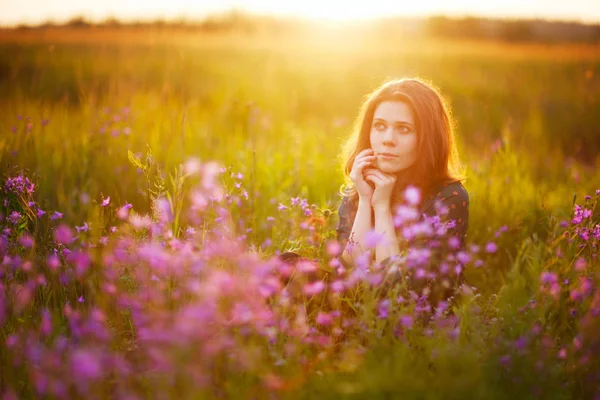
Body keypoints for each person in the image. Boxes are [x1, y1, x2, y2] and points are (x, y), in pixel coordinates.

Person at [335, 78, 469, 300]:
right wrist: (366, 201)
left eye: (403, 129)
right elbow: (346, 270)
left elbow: (401, 293)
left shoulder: (448, 198)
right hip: (358, 310)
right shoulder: (362, 185)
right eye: (379, 126)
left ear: (428, 138)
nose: (388, 140)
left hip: (415, 325)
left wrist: (382, 207)